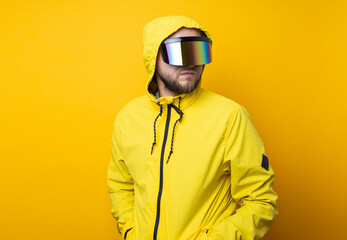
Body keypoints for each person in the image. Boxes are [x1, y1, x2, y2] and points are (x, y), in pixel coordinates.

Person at [107, 16, 278, 240]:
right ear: (153, 56)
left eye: (198, 51)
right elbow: (121, 185)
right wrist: (131, 231)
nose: (190, 63)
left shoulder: (230, 116)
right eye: (179, 51)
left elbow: (261, 201)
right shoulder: (128, 117)